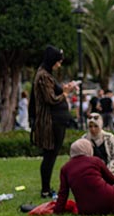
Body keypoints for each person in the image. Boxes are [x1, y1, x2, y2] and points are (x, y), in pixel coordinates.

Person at [30, 45, 78, 198]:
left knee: (51, 155)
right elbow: (51, 99)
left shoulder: (47, 74)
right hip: (50, 122)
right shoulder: (43, 76)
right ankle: (45, 189)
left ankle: (46, 188)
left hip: (55, 121)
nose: (59, 65)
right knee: (50, 155)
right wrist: (65, 92)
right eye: (58, 61)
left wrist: (63, 89)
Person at [54, 139, 114, 215]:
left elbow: (63, 193)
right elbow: (112, 180)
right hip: (109, 201)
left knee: (106, 203)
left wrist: (57, 211)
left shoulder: (65, 168)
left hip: (86, 210)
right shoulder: (95, 161)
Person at [84, 112, 114, 177]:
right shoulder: (84, 139)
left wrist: (107, 171)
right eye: (90, 126)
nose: (93, 129)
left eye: (96, 126)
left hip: (110, 171)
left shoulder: (110, 138)